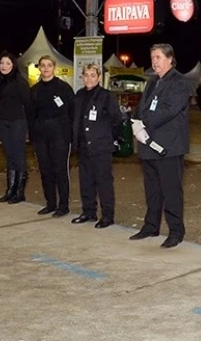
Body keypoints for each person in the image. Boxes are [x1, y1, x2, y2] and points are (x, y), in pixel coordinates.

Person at [129, 43, 189, 248]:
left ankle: (176, 231)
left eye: (158, 57)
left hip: (168, 147)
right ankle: (151, 226)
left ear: (170, 59)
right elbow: (141, 107)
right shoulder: (153, 81)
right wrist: (135, 120)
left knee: (171, 191)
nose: (154, 61)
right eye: (152, 57)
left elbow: (169, 110)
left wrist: (143, 122)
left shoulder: (178, 82)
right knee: (152, 189)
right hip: (148, 145)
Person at [71, 64, 123, 229]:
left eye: (93, 75)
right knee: (86, 181)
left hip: (101, 146)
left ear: (99, 77)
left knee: (103, 182)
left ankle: (107, 216)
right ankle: (88, 212)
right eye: (86, 75)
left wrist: (109, 138)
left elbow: (117, 120)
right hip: (83, 146)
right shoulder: (79, 95)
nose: (89, 78)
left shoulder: (106, 96)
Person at [30, 55, 75, 217]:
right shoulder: (35, 90)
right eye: (43, 65)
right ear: (39, 68)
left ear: (54, 68)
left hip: (59, 134)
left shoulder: (63, 88)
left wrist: (68, 133)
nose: (46, 68)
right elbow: (31, 114)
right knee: (45, 170)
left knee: (60, 170)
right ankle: (50, 203)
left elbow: (72, 111)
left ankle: (63, 205)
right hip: (41, 135)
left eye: (49, 65)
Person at [0, 51, 33, 205]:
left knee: (18, 156)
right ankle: (10, 190)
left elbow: (28, 103)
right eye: (2, 63)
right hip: (3, 122)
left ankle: (19, 192)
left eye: (8, 63)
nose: (4, 66)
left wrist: (30, 125)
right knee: (9, 156)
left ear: (13, 65)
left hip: (18, 122)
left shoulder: (20, 82)